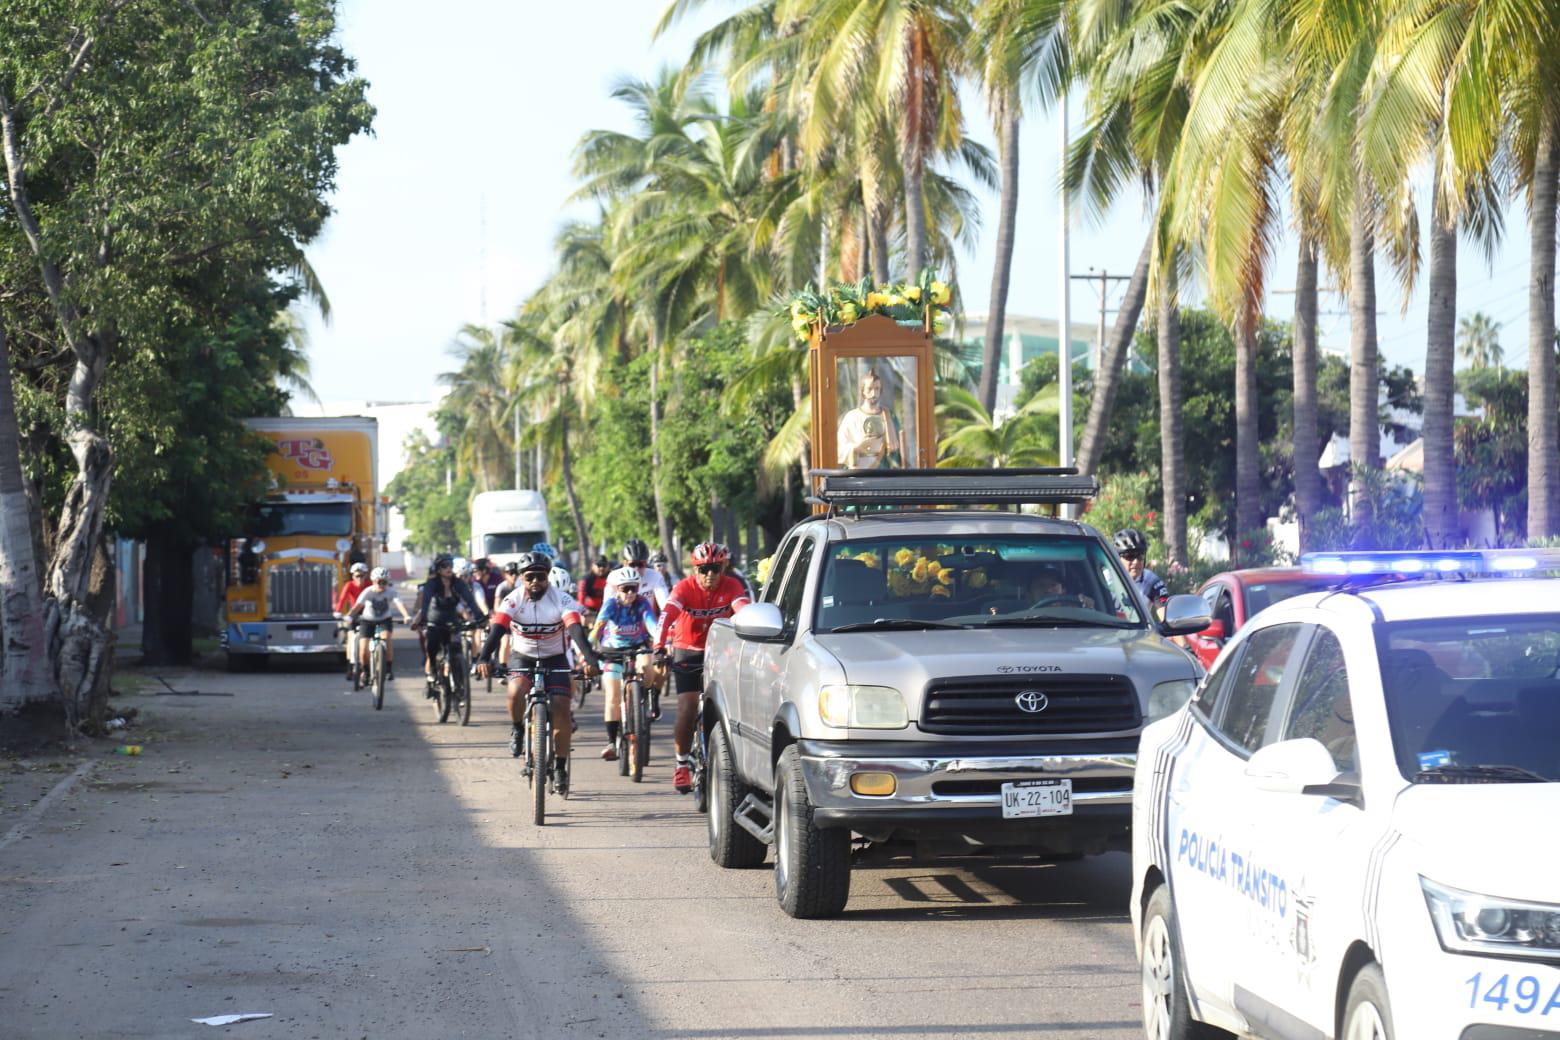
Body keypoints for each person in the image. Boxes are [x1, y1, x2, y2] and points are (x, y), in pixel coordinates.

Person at [475, 552, 599, 796]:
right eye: (529, 577)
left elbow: (575, 630)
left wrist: (590, 658)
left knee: (562, 706)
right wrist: (483, 658)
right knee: (514, 692)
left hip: (555, 657)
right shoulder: (513, 600)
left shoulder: (561, 599)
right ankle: (518, 729)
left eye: (540, 577)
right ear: (521, 578)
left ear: (548, 578)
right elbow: (498, 629)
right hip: (523, 656)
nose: (535, 582)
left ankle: (561, 767)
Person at [652, 543, 751, 793]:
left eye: (716, 569)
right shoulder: (684, 588)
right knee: (686, 709)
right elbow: (666, 617)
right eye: (704, 569)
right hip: (689, 651)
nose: (710, 575)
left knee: (730, 709)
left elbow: (745, 611)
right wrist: (658, 647)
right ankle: (682, 764)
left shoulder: (733, 586)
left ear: (724, 567)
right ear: (695, 569)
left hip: (721, 653)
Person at [590, 566, 660, 761]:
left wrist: (662, 641)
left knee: (647, 665)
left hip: (638, 646)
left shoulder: (642, 603)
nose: (630, 593)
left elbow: (652, 624)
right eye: (625, 589)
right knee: (612, 697)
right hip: (612, 651)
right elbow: (598, 626)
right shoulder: (611, 604)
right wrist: (586, 648)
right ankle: (612, 741)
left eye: (634, 588)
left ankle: (646, 695)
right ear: (617, 589)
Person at [411, 553, 485, 697]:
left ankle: (458, 679)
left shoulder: (458, 583)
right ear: (438, 569)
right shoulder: (432, 584)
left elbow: (470, 601)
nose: (449, 568)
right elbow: (425, 604)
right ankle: (431, 675)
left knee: (455, 649)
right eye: (445, 566)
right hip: (434, 620)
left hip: (452, 621)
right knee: (432, 648)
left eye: (450, 565)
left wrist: (480, 618)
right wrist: (422, 619)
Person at [347, 567, 413, 680]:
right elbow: (357, 606)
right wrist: (349, 616)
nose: (381, 585)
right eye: (379, 582)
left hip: (384, 620)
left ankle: (388, 668)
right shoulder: (367, 591)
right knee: (363, 649)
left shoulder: (391, 591)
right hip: (367, 620)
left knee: (386, 638)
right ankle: (366, 671)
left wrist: (406, 615)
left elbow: (400, 604)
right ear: (373, 581)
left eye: (384, 582)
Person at [837, 368, 903, 469]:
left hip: (884, 471)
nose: (874, 393)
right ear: (863, 391)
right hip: (858, 472)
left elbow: (899, 447)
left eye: (877, 389)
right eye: (869, 389)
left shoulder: (889, 416)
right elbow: (839, 447)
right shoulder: (851, 417)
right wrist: (857, 448)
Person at [334, 561, 372, 681]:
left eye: (362, 575)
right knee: (351, 638)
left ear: (366, 575)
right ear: (352, 576)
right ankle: (350, 666)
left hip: (369, 613)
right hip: (354, 613)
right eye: (357, 576)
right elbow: (342, 599)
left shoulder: (370, 585)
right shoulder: (349, 585)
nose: (360, 579)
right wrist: (338, 612)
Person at [1114, 529, 1169, 610]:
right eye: (1129, 556)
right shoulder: (1103, 578)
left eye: (1140, 556)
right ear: (1117, 558)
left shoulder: (1152, 581)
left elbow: (1165, 613)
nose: (1136, 562)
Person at [577, 555, 612, 621]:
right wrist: (582, 612)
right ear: (593, 566)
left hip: (607, 610)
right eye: (599, 565)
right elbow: (581, 597)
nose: (601, 568)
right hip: (590, 611)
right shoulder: (586, 579)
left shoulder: (612, 577)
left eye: (604, 565)